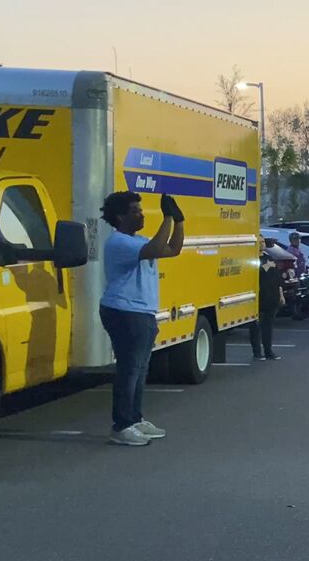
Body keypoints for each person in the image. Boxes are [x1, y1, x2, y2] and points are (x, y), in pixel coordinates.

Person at [99, 191, 184, 446]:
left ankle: (135, 419)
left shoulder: (138, 240)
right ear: (120, 216)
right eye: (135, 211)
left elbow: (172, 250)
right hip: (124, 311)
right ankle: (121, 425)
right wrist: (167, 217)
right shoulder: (119, 242)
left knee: (140, 369)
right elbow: (157, 247)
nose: (141, 214)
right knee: (129, 370)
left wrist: (179, 221)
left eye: (140, 210)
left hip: (141, 311)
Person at [255, 245, 288, 360]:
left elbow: (277, 277)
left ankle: (268, 351)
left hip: (272, 295)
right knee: (255, 326)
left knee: (268, 326)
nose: (261, 244)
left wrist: (281, 294)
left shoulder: (269, 257)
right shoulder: (251, 257)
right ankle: (257, 352)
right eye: (259, 242)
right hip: (259, 296)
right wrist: (266, 266)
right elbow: (253, 272)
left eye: (263, 242)